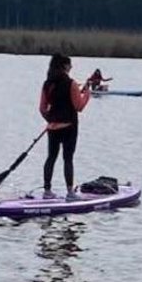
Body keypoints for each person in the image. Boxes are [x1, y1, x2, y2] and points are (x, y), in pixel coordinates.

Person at [39, 53, 91, 201]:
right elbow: (79, 106)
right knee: (68, 159)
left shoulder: (47, 84)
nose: (71, 67)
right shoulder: (71, 84)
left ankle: (47, 191)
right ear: (64, 66)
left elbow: (42, 108)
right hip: (69, 127)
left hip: (52, 128)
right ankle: (70, 193)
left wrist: (51, 120)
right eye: (69, 64)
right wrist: (87, 93)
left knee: (51, 158)